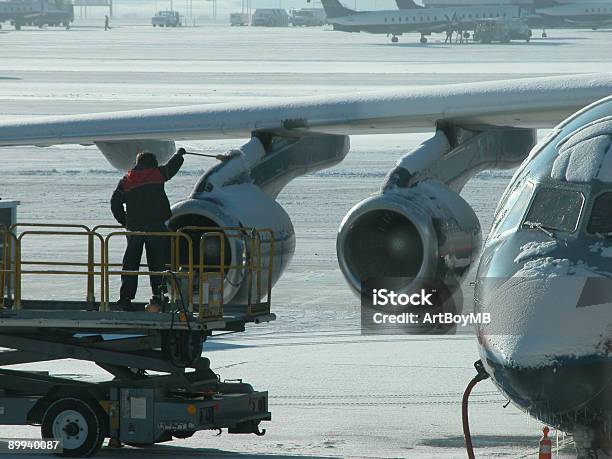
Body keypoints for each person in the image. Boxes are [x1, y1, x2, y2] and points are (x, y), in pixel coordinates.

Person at [110, 148, 186, 311]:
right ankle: (158, 296)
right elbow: (171, 168)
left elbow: (115, 203)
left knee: (130, 264)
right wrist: (179, 155)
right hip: (156, 227)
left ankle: (125, 298)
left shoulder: (127, 180)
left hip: (135, 229)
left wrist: (125, 221)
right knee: (157, 263)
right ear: (153, 163)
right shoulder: (157, 174)